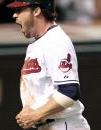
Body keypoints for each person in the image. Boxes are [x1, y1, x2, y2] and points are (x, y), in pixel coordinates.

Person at [7, 0, 91, 130]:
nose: (15, 15)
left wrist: (36, 114)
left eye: (20, 10)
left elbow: (69, 91)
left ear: (36, 11)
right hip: (50, 125)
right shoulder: (40, 42)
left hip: (64, 124)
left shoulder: (56, 41)